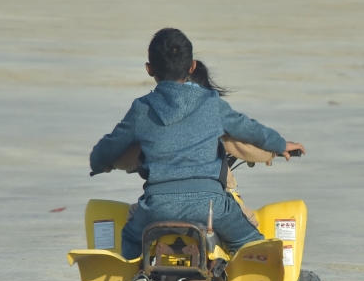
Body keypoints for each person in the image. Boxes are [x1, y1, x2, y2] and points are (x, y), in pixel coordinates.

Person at [90, 28, 304, 259]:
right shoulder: (211, 103)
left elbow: (110, 147)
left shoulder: (141, 108)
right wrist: (280, 144)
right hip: (212, 207)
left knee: (131, 238)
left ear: (149, 69)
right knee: (250, 243)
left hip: (157, 207)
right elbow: (250, 130)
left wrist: (98, 162)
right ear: (192, 66)